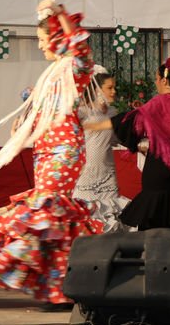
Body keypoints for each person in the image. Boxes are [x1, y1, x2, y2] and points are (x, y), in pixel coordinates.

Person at [0, 0, 102, 308]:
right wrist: (25, 123)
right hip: (45, 150)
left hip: (65, 150)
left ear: (55, 39)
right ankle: (60, 290)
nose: (40, 47)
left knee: (45, 212)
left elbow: (79, 46)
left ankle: (56, 284)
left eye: (42, 40)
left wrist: (61, 14)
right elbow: (42, 111)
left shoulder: (74, 69)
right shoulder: (52, 75)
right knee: (53, 221)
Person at [84, 57, 170, 232]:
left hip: (160, 171)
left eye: (156, 79)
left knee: (151, 226)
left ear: (164, 80)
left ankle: (150, 258)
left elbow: (131, 120)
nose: (156, 83)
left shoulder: (160, 102)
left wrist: (95, 125)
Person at [73, 68, 129, 232]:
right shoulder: (83, 112)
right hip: (86, 175)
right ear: (97, 90)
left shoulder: (113, 113)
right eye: (110, 88)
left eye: (114, 87)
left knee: (110, 219)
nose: (114, 91)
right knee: (85, 220)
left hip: (107, 175)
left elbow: (115, 139)